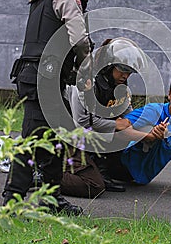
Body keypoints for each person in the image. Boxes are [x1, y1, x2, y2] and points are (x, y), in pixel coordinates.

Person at [2, 0, 110, 214]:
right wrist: (88, 65)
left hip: (37, 76)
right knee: (33, 141)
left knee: (53, 140)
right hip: (43, 79)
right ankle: (11, 203)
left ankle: (51, 200)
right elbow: (79, 40)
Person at [61, 37, 147, 197]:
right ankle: (41, 176)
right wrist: (116, 125)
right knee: (94, 186)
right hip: (69, 136)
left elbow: (129, 116)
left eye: (129, 72)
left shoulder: (120, 87)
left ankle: (103, 172)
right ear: (108, 65)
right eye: (122, 70)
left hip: (88, 137)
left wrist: (149, 131)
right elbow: (81, 122)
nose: (125, 76)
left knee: (123, 140)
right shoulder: (85, 81)